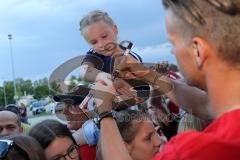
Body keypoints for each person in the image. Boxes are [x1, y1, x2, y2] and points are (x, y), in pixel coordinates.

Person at [90, 0, 240, 159]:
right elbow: (203, 104)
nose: (172, 51)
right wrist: (144, 72)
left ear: (198, 50)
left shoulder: (195, 150)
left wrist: (105, 114)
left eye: (172, 43)